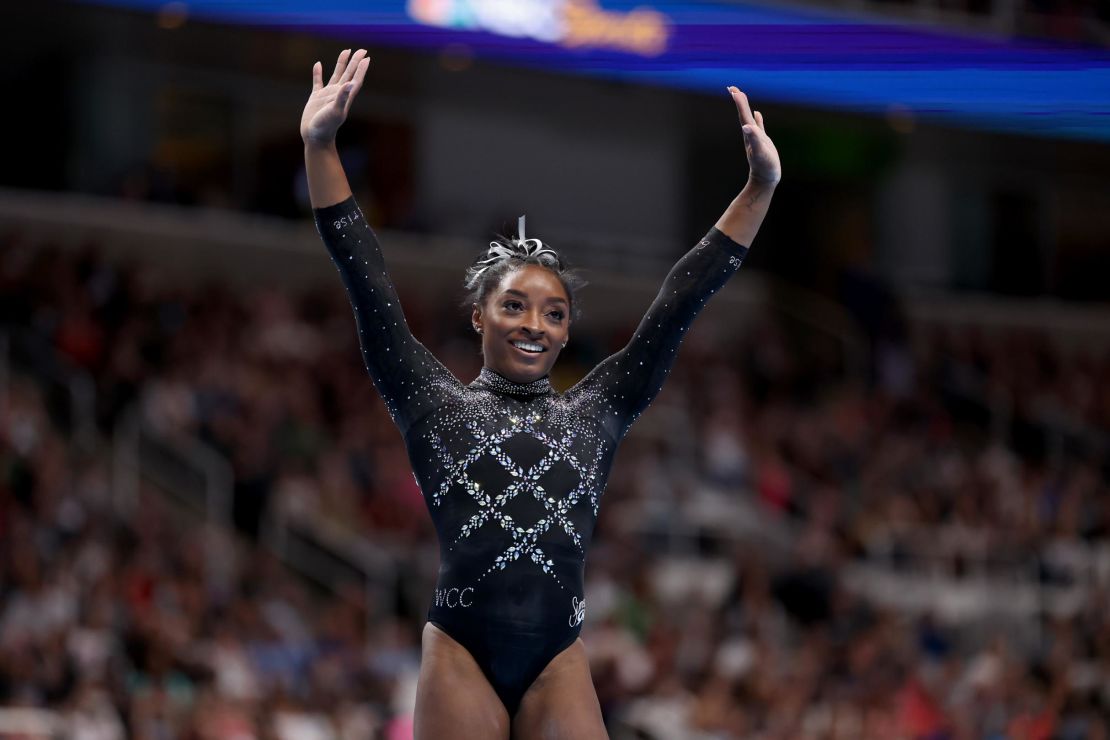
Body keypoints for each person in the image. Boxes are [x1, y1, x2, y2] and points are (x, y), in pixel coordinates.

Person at [300, 48, 780, 739]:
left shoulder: (599, 409)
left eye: (554, 314)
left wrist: (758, 189)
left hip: (558, 656)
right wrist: (321, 146)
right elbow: (364, 275)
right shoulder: (436, 406)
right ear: (478, 316)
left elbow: (682, 298)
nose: (535, 325)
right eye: (515, 307)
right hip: (461, 651)